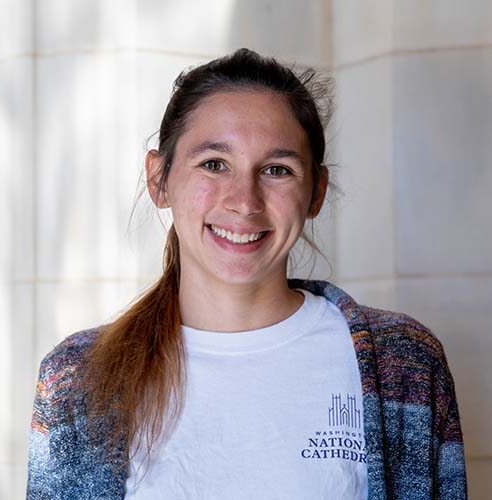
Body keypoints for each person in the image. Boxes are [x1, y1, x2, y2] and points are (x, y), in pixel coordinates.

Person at [27, 49, 467, 499]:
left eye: (277, 170)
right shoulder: (76, 380)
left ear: (316, 192)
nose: (245, 201)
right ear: (159, 179)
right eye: (214, 164)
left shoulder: (406, 364)